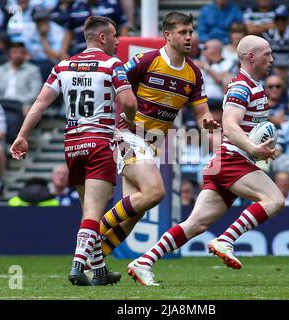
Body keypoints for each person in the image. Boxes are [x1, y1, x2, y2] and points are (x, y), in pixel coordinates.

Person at [126, 35, 285, 286]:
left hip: (226, 162)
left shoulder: (254, 86)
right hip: (233, 161)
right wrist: (254, 148)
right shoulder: (242, 87)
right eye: (267, 54)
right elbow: (230, 126)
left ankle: (143, 261)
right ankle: (226, 240)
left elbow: (243, 127)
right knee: (274, 200)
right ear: (251, 57)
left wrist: (260, 147)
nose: (272, 59)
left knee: (194, 225)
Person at [9, 16, 137, 286]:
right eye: (114, 35)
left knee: (89, 211)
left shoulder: (63, 66)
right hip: (100, 143)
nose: (118, 40)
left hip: (73, 145)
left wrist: (22, 136)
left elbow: (40, 104)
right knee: (93, 213)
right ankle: (78, 266)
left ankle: (99, 271)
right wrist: (129, 117)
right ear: (102, 38)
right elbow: (128, 101)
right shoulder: (112, 64)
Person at [96, 12, 219, 257]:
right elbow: (110, 83)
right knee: (155, 192)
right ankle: (89, 238)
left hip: (152, 144)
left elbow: (201, 112)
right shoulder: (146, 60)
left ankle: (93, 261)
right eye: (183, 33)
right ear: (167, 35)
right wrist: (119, 112)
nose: (188, 38)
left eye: (190, 33)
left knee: (133, 215)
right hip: (129, 136)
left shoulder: (193, 73)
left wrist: (207, 121)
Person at [0, 42, 43, 116]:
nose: (18, 55)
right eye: (15, 52)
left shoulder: (33, 70)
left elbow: (35, 93)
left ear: (25, 54)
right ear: (9, 54)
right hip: (2, 103)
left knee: (27, 111)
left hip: (22, 104)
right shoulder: (1, 69)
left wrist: (16, 101)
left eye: (21, 52)